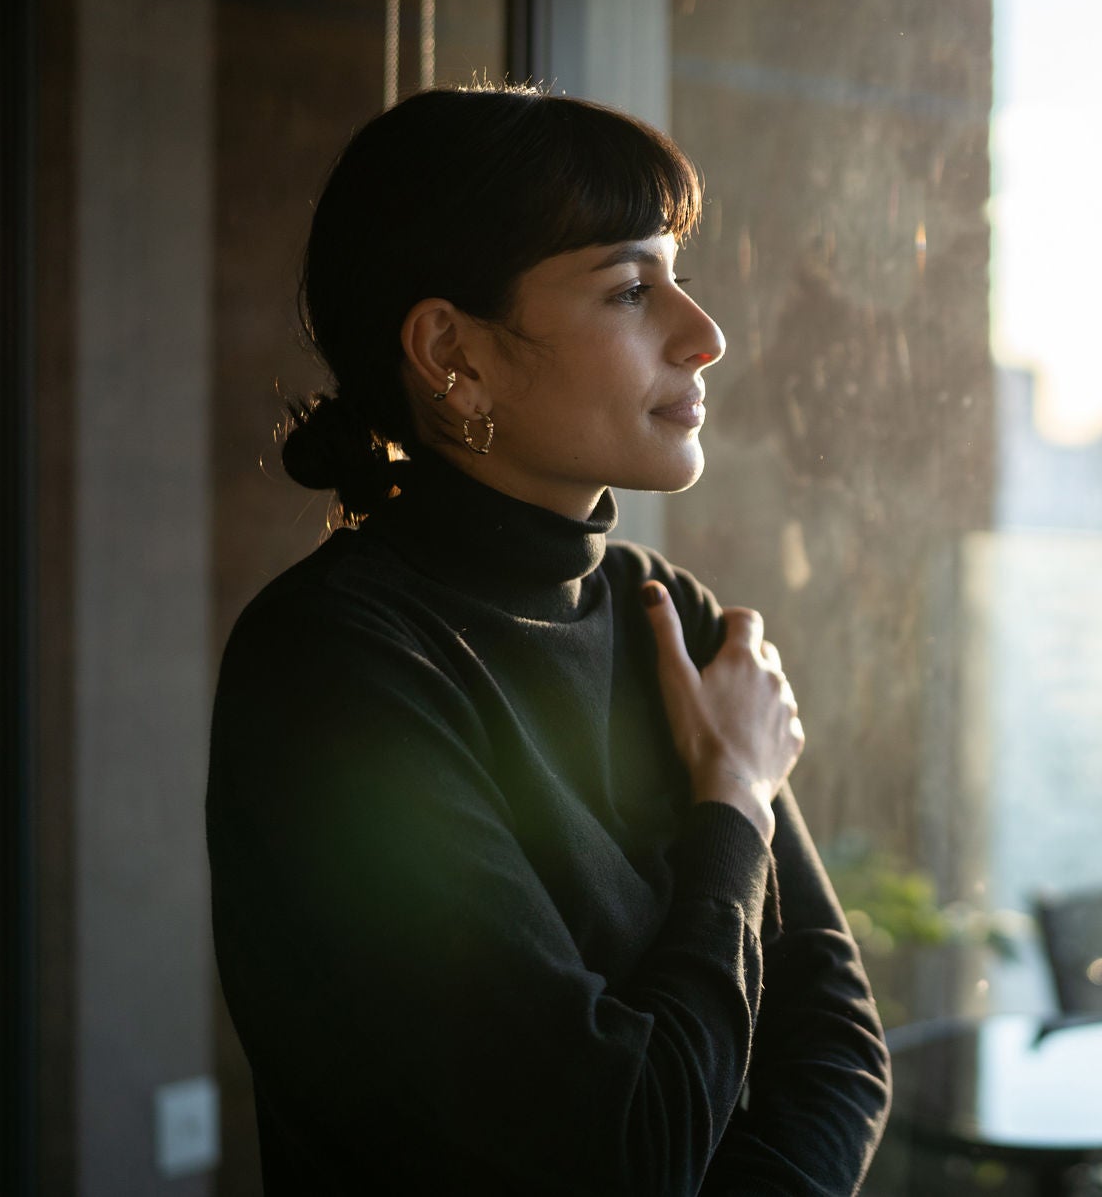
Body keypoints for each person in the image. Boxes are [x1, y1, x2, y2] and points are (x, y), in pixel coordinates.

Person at [205, 84, 891, 1194]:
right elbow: (623, 1153)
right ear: (453, 353)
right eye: (631, 288)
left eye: (678, 274)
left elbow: (838, 1055)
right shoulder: (333, 669)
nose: (704, 335)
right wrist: (731, 803)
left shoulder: (672, 614)